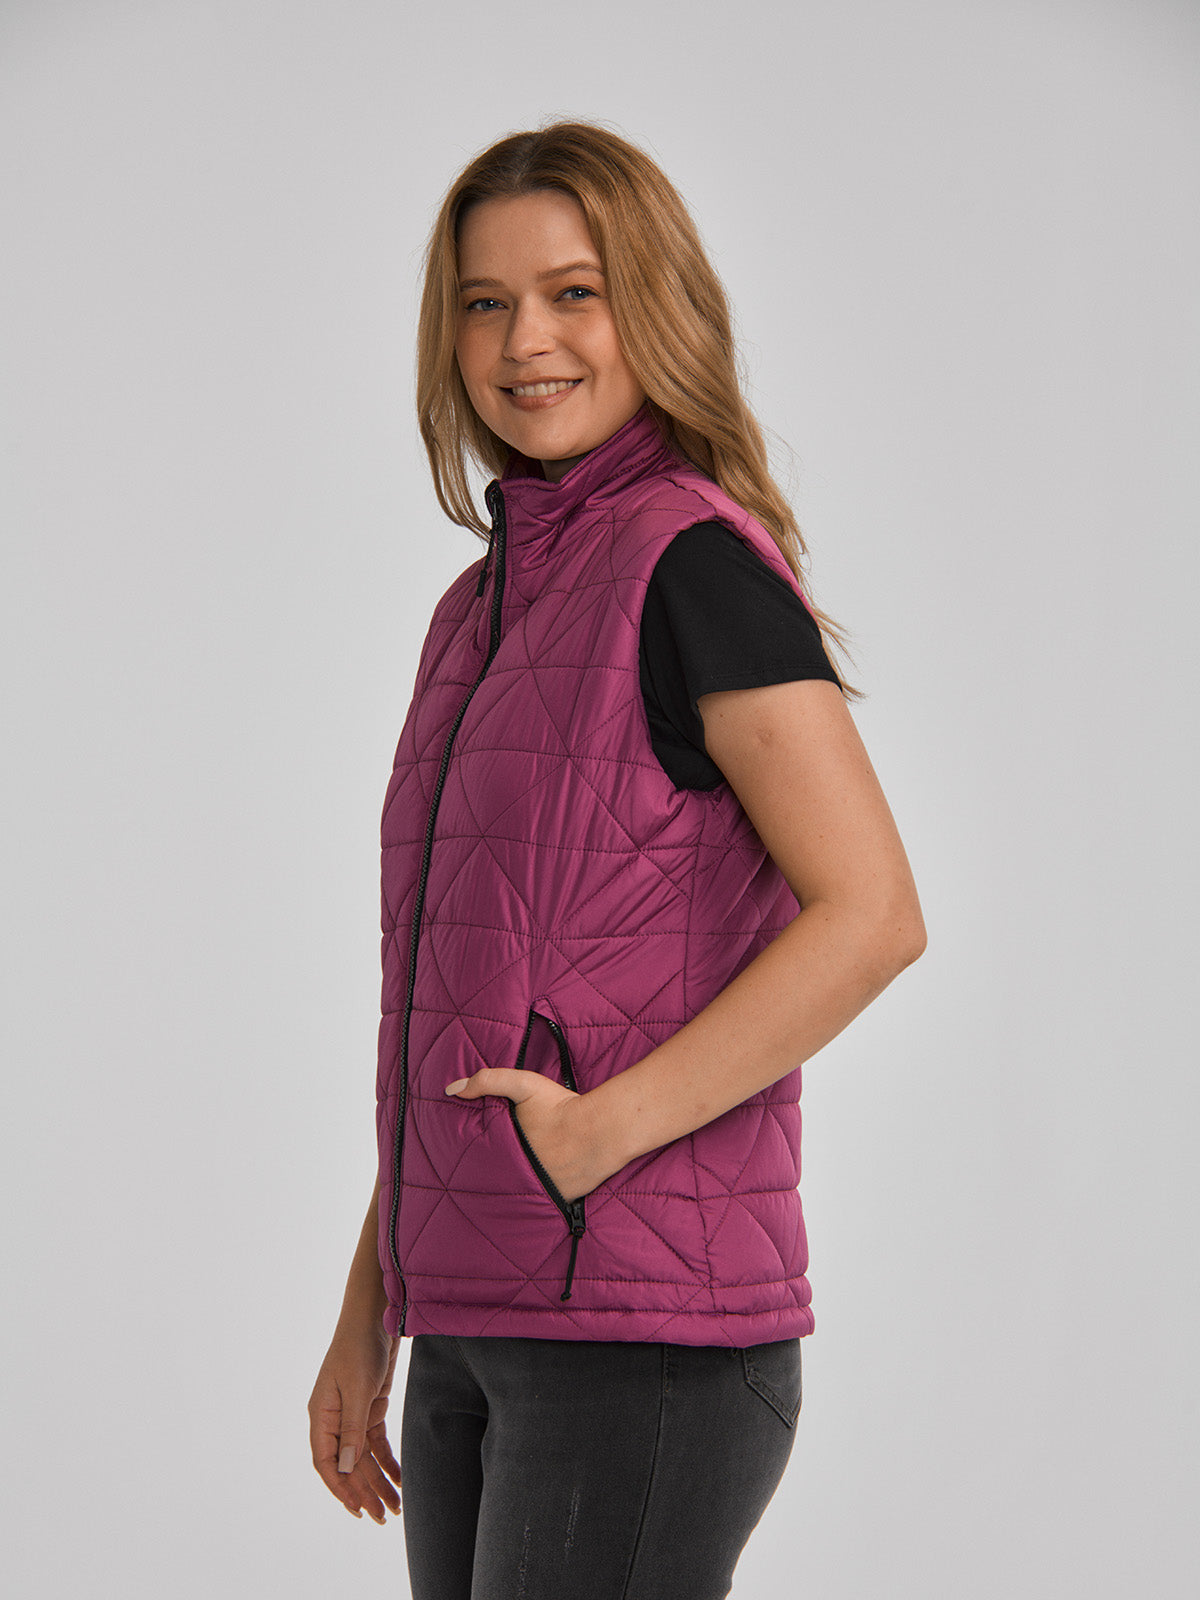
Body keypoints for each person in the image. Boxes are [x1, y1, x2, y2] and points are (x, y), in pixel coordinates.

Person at [308, 120, 926, 1600]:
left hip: (642, 1336)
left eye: (573, 292)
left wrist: (598, 1135)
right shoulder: (476, 615)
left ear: (654, 306)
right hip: (473, 1319)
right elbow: (463, 1009)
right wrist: (369, 1308)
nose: (526, 339)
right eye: (485, 301)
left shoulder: (693, 564)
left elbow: (874, 916)